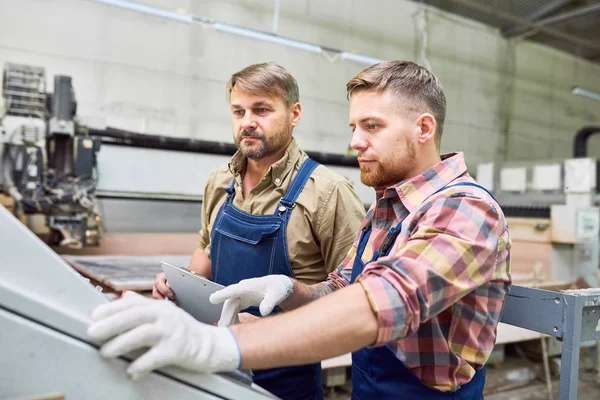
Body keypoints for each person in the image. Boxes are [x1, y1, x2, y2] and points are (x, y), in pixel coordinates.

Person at [88, 60, 511, 399]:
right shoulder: (388, 206)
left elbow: (385, 301)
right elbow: (344, 289)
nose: (356, 142)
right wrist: (290, 289)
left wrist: (220, 347)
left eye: (372, 126)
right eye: (354, 128)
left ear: (423, 128)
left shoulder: (466, 208)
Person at [150, 62, 365, 400]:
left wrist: (270, 330)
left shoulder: (328, 192)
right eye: (239, 111)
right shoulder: (220, 181)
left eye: (262, 109)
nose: (247, 122)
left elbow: (355, 295)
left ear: (294, 114)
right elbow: (206, 249)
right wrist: (181, 284)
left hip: (286, 378)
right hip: (215, 362)